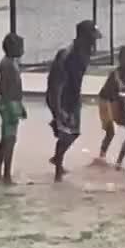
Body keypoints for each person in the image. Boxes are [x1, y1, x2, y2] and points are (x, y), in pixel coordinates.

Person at [46, 19, 101, 182]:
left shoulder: (84, 53)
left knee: (74, 132)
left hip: (73, 98)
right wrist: (58, 111)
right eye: (92, 38)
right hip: (61, 98)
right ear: (84, 37)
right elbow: (56, 85)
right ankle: (57, 171)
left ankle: (57, 159)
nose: (94, 43)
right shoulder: (68, 56)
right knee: (66, 133)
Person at [96, 45, 125, 164]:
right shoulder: (116, 73)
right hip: (105, 100)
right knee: (110, 132)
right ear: (120, 60)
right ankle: (101, 157)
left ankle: (124, 159)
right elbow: (122, 88)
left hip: (117, 99)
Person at [0, 33, 27, 185]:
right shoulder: (8, 65)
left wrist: (20, 105)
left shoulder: (8, 62)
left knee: (5, 139)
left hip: (10, 103)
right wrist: (14, 107)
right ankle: (6, 174)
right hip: (10, 104)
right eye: (20, 46)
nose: (23, 49)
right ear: (13, 48)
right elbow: (6, 88)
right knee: (10, 140)